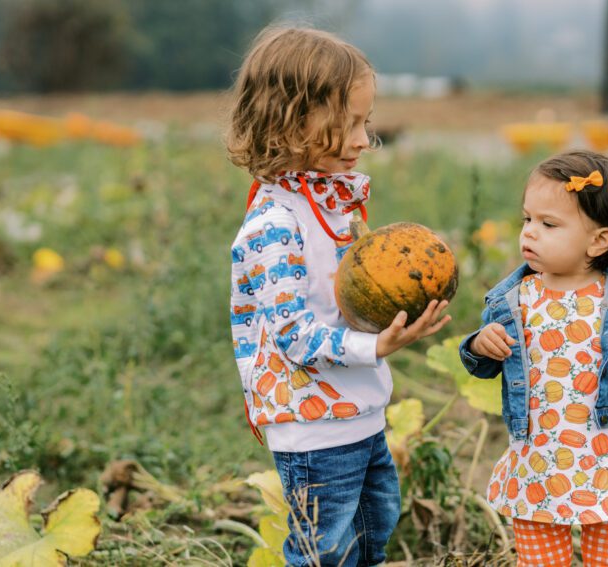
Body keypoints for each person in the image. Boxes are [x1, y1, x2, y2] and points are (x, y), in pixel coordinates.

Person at [226, 25, 450, 567]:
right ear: (289, 121)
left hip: (361, 413)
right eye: (348, 124)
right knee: (323, 552)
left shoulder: (332, 209)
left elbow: (353, 299)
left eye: (365, 123)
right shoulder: (275, 226)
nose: (363, 140)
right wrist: (376, 346)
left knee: (372, 538)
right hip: (311, 427)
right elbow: (294, 336)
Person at [459, 150, 608, 566]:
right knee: (540, 558)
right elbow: (484, 362)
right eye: (527, 219)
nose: (530, 233)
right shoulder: (513, 299)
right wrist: (480, 344)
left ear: (599, 240)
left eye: (548, 224)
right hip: (538, 459)